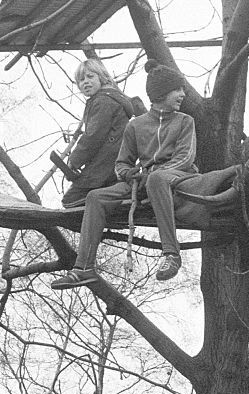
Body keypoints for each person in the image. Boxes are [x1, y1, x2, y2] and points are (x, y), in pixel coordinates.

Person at [51, 59, 197, 288]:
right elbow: (122, 164)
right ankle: (84, 268)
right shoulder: (136, 125)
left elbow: (185, 158)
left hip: (179, 178)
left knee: (157, 179)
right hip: (144, 181)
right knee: (95, 197)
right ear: (161, 93)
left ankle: (171, 254)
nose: (182, 94)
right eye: (177, 89)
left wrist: (153, 174)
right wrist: (130, 175)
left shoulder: (185, 121)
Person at [61, 59, 138, 208]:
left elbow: (93, 136)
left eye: (90, 77)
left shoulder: (103, 101)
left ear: (101, 78)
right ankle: (113, 196)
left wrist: (75, 160)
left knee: (70, 200)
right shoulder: (109, 98)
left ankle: (112, 199)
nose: (86, 82)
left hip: (106, 161)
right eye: (81, 80)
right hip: (116, 161)